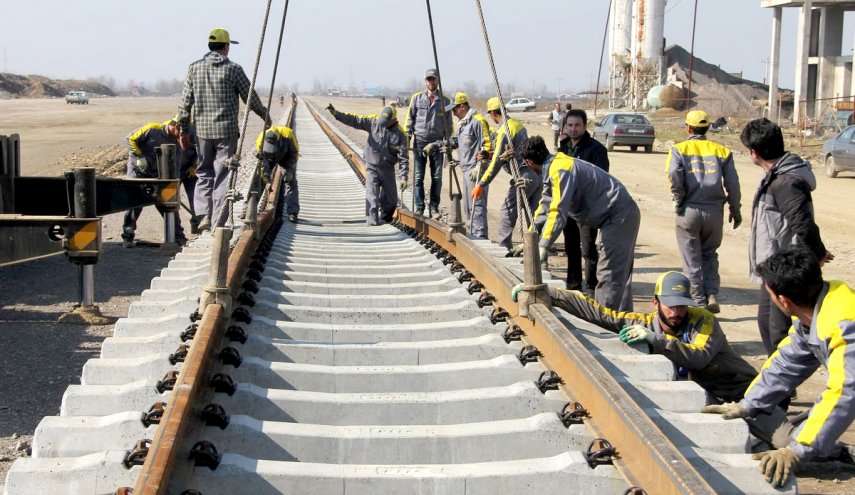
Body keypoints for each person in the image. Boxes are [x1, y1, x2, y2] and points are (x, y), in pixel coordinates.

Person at [702, 248, 855, 488]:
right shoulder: (818, 308)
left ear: (783, 300)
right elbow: (787, 362)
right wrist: (747, 404)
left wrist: (797, 450)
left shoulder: (845, 324)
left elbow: (844, 392)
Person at [513, 270, 757, 404]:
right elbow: (601, 314)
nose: (676, 312)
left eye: (681, 306)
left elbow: (699, 358)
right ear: (655, 302)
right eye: (670, 306)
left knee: (782, 443)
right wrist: (549, 293)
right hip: (710, 397)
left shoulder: (704, 320)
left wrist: (656, 340)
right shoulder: (646, 323)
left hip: (744, 391)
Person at [740, 118, 833, 358]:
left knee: (778, 331)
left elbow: (802, 223)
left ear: (754, 152)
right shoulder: (776, 175)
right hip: (771, 266)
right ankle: (780, 384)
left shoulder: (785, 181)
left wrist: (816, 255)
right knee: (766, 323)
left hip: (783, 267)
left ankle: (783, 387)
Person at [521, 135, 639, 311]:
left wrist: (543, 246)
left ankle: (606, 324)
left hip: (619, 215)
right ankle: (623, 320)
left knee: (610, 274)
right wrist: (530, 237)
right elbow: (545, 204)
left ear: (529, 162)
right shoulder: (555, 166)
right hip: (617, 214)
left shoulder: (561, 170)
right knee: (617, 275)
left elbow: (558, 210)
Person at [176, 27, 271, 232]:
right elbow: (250, 97)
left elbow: (184, 103)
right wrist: (265, 116)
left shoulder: (194, 68)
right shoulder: (233, 69)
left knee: (203, 173)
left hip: (202, 132)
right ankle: (219, 218)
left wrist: (183, 130)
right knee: (223, 173)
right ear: (226, 47)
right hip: (226, 132)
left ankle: (203, 216)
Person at [666, 110, 742, 313]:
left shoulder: (679, 149)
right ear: (707, 128)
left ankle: (698, 303)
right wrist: (735, 208)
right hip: (714, 212)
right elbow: (733, 183)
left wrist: (679, 197)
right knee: (709, 254)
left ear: (688, 128)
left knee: (691, 259)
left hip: (689, 210)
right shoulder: (722, 151)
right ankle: (711, 294)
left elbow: (674, 173)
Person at [471, 97, 542, 252]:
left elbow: (497, 161)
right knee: (533, 215)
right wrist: (488, 154)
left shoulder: (504, 130)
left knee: (507, 211)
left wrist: (481, 184)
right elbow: (507, 153)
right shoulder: (517, 125)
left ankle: (504, 248)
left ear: (492, 113)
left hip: (523, 175)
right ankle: (537, 251)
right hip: (536, 175)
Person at [327, 104, 409, 226]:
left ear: (393, 120)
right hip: (372, 166)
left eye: (386, 122)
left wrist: (404, 177)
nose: (383, 124)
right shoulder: (373, 122)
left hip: (387, 169)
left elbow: (404, 158)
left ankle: (386, 218)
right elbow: (355, 120)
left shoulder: (401, 135)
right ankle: (372, 223)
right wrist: (336, 114)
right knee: (372, 196)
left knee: (391, 201)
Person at [558, 109, 610, 294]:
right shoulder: (563, 148)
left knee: (588, 249)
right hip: (568, 207)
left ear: (584, 126)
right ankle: (573, 285)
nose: (573, 129)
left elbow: (601, 181)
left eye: (577, 125)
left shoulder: (596, 150)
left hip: (588, 209)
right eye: (569, 125)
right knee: (571, 247)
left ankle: (591, 286)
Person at [430, 92, 492, 238]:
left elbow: (487, 144)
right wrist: (438, 144)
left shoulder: (477, 121)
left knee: (477, 205)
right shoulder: (464, 124)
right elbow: (455, 141)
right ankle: (473, 233)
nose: (453, 113)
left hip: (476, 170)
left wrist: (480, 165)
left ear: (463, 106)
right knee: (468, 206)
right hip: (466, 170)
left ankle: (480, 236)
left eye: (455, 109)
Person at [121, 119, 188, 248]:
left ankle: (178, 236)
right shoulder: (152, 129)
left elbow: (176, 167)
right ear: (176, 126)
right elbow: (130, 139)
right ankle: (127, 236)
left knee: (168, 204)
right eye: (181, 132)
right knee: (134, 203)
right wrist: (139, 157)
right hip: (138, 170)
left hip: (158, 174)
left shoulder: (177, 144)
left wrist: (172, 187)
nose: (182, 136)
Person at [405, 69, 452, 219]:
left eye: (434, 79)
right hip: (420, 142)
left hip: (437, 144)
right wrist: (408, 135)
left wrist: (446, 143)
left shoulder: (446, 102)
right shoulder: (417, 98)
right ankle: (419, 207)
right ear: (425, 81)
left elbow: (449, 126)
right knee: (418, 176)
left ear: (438, 80)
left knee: (437, 177)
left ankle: (434, 207)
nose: (431, 82)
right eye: (429, 79)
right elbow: (410, 118)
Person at [255, 126, 300, 223]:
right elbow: (263, 162)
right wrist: (266, 178)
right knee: (258, 178)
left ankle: (292, 212)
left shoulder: (288, 135)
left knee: (290, 180)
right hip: (269, 158)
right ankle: (248, 208)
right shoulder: (260, 140)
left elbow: (294, 154)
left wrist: (288, 170)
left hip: (286, 156)